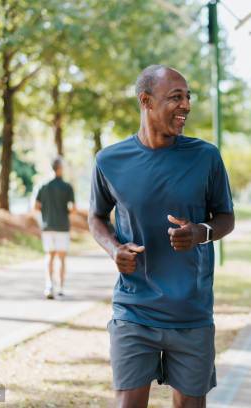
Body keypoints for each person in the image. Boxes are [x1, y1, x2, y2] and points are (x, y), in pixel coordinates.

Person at [88, 65, 235, 408]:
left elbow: (226, 218)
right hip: (134, 310)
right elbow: (96, 217)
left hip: (191, 312)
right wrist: (113, 250)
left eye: (188, 97)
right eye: (175, 97)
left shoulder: (206, 156)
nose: (186, 105)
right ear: (146, 101)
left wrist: (200, 232)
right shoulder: (110, 160)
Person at [34, 156, 76, 299]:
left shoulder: (43, 186)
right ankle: (61, 288)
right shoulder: (67, 187)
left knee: (49, 256)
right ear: (60, 168)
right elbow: (72, 208)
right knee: (62, 258)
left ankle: (49, 286)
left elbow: (36, 206)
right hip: (62, 227)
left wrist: (46, 213)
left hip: (48, 226)